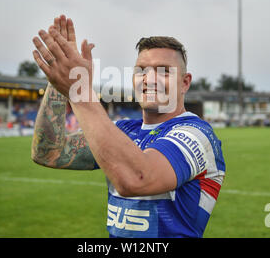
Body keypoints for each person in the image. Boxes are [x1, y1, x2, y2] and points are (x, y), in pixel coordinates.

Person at [31, 15, 225, 238]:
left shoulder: (197, 135)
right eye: (141, 70)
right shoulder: (122, 130)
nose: (149, 79)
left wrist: (79, 92)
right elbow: (49, 152)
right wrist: (60, 78)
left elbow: (136, 179)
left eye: (163, 71)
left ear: (185, 82)